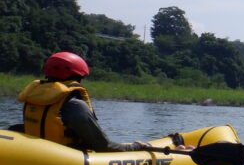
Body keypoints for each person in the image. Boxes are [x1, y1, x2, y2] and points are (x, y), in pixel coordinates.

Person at [17, 51, 193, 152]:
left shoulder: (34, 99)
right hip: (69, 161)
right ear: (77, 76)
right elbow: (104, 147)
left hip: (39, 157)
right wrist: (136, 147)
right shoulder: (74, 105)